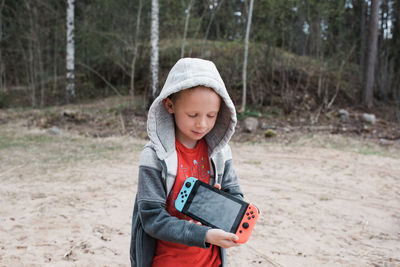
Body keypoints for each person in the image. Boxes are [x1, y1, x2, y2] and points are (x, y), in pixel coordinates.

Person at [130, 58, 244, 267]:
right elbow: (152, 219)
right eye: (193, 115)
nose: (202, 124)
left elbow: (235, 195)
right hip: (168, 261)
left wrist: (221, 206)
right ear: (170, 105)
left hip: (211, 261)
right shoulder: (153, 156)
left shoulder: (220, 153)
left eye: (211, 115)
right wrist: (205, 234)